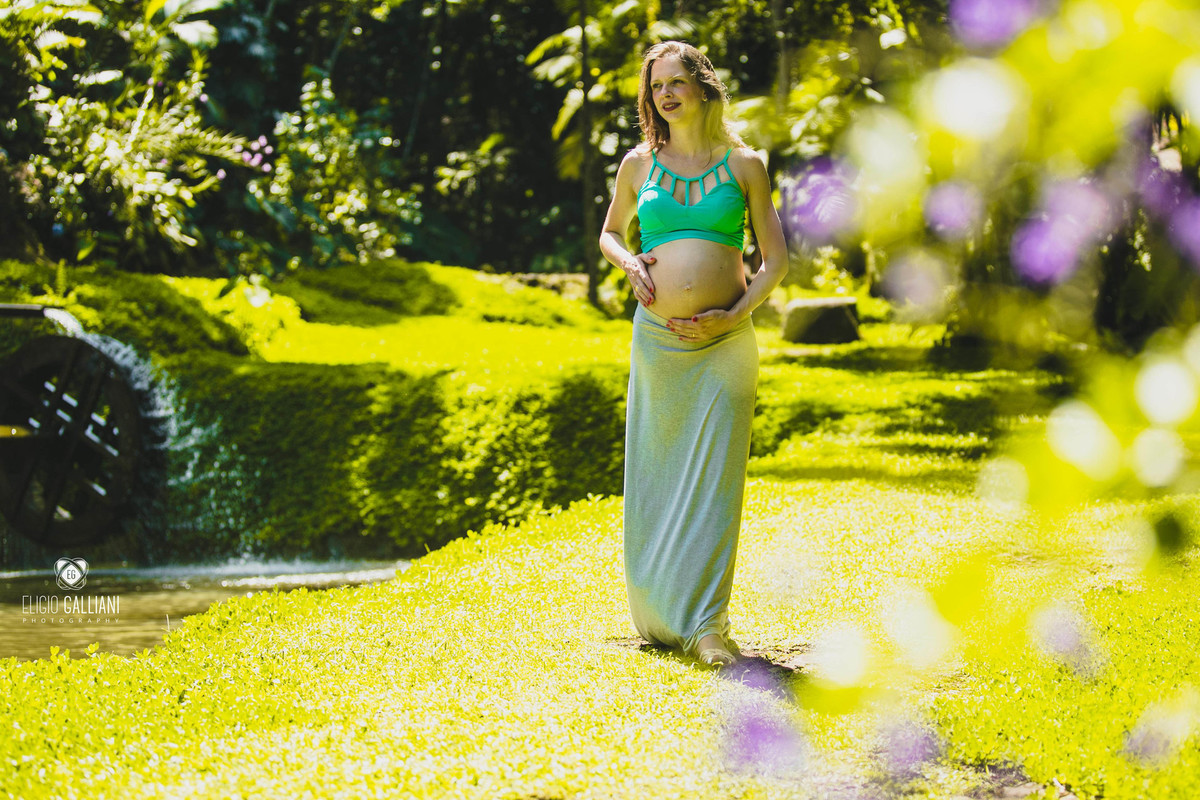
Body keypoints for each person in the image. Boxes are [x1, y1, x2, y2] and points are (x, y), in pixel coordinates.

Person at [599, 41, 789, 667]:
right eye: (656, 86)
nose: (666, 94)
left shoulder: (745, 165)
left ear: (704, 87)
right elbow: (610, 233)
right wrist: (629, 262)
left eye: (677, 81)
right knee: (656, 473)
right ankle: (660, 613)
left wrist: (736, 314)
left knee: (715, 480)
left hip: (726, 342)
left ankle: (708, 625)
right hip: (657, 341)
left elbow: (775, 260)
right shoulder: (637, 165)